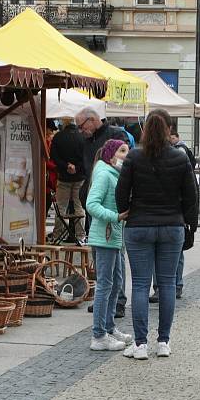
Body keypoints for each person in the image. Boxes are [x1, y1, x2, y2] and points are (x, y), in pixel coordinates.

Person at [116, 109, 198, 360]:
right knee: (167, 285)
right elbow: (191, 197)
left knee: (140, 284)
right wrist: (190, 226)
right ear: (169, 130)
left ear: (144, 130)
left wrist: (126, 211)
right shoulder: (180, 157)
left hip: (140, 224)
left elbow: (121, 192)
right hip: (172, 225)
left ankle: (140, 344)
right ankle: (164, 341)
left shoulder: (134, 158)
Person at [76, 108, 130, 317]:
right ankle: (105, 302)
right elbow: (87, 171)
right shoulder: (88, 142)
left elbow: (126, 163)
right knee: (101, 260)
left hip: (111, 210)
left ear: (93, 120)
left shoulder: (115, 135)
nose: (81, 131)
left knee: (116, 259)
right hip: (99, 210)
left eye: (82, 126)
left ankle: (117, 302)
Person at [86, 139, 134, 351]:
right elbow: (91, 204)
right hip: (104, 237)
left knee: (116, 283)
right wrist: (115, 216)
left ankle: (109, 327)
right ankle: (98, 335)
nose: (127, 154)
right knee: (105, 285)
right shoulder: (105, 174)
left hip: (113, 237)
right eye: (123, 151)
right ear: (111, 154)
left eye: (127, 150)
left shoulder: (114, 174)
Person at [149, 127, 197, 303]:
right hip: (171, 217)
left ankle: (170, 286)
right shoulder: (150, 159)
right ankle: (170, 287)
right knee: (173, 253)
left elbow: (190, 193)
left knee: (173, 253)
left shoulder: (179, 156)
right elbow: (191, 193)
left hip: (169, 216)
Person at [49, 118, 86, 240]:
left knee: (61, 208)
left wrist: (66, 166)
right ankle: (81, 236)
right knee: (79, 207)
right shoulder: (82, 137)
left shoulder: (58, 137)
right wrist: (76, 167)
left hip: (63, 177)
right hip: (79, 177)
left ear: (64, 123)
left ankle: (58, 235)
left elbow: (53, 156)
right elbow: (85, 158)